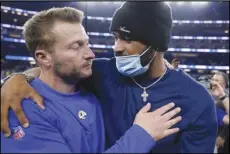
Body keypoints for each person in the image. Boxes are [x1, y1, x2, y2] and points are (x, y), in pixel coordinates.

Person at [1, 2, 218, 153]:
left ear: (156, 45)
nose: (117, 48)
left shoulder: (196, 99)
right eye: (115, 37)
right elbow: (51, 71)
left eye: (127, 39)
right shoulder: (102, 73)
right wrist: (15, 80)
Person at [210, 71, 229, 153]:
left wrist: (222, 136)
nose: (214, 82)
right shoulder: (211, 97)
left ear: (224, 85)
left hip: (225, 140)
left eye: (217, 81)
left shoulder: (226, 98)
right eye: (213, 80)